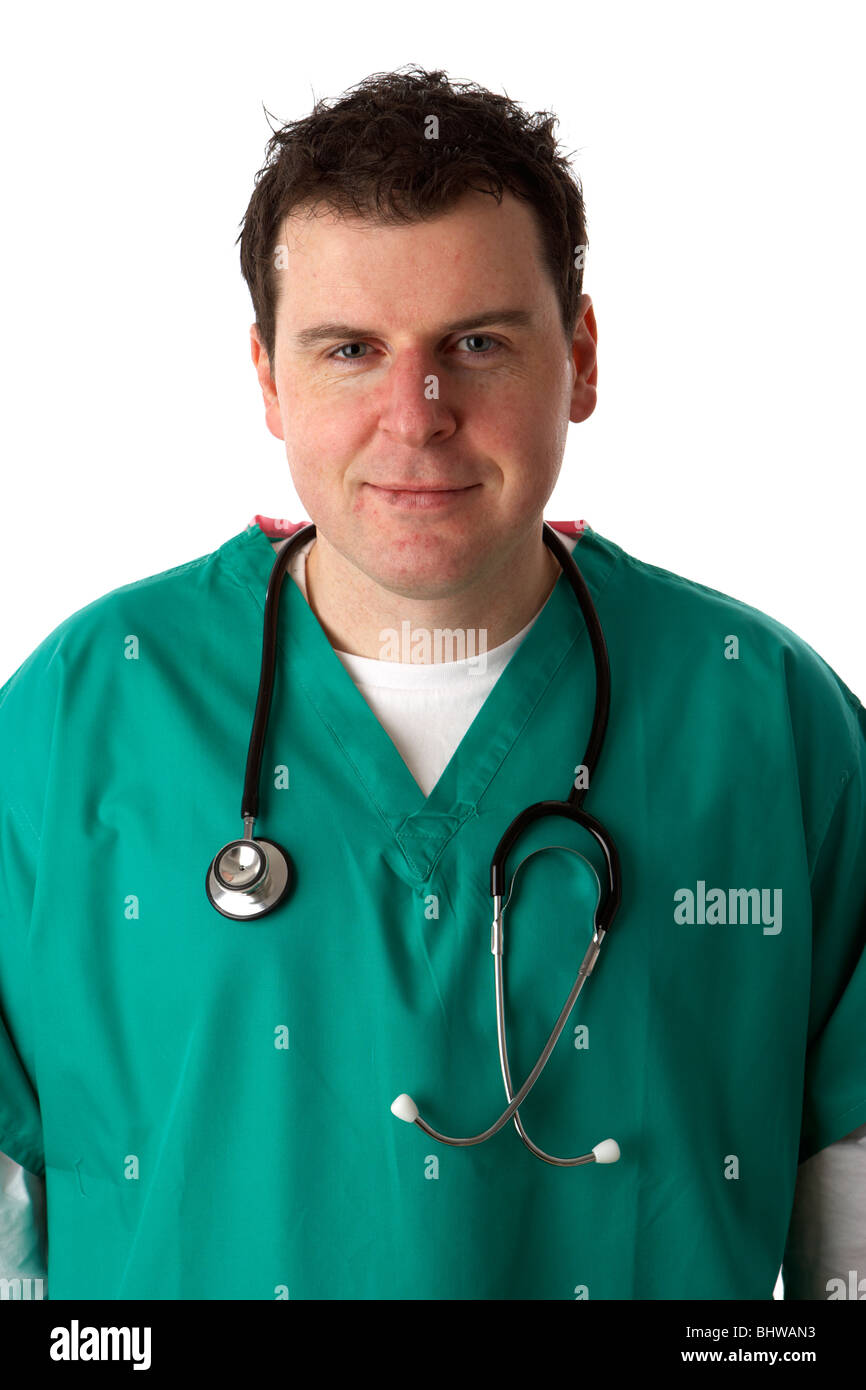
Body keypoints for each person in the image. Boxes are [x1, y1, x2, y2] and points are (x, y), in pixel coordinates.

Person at [1, 65, 864, 1302]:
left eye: (475, 344)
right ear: (266, 377)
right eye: (350, 349)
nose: (418, 414)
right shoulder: (74, 720)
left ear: (579, 356)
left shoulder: (769, 719)